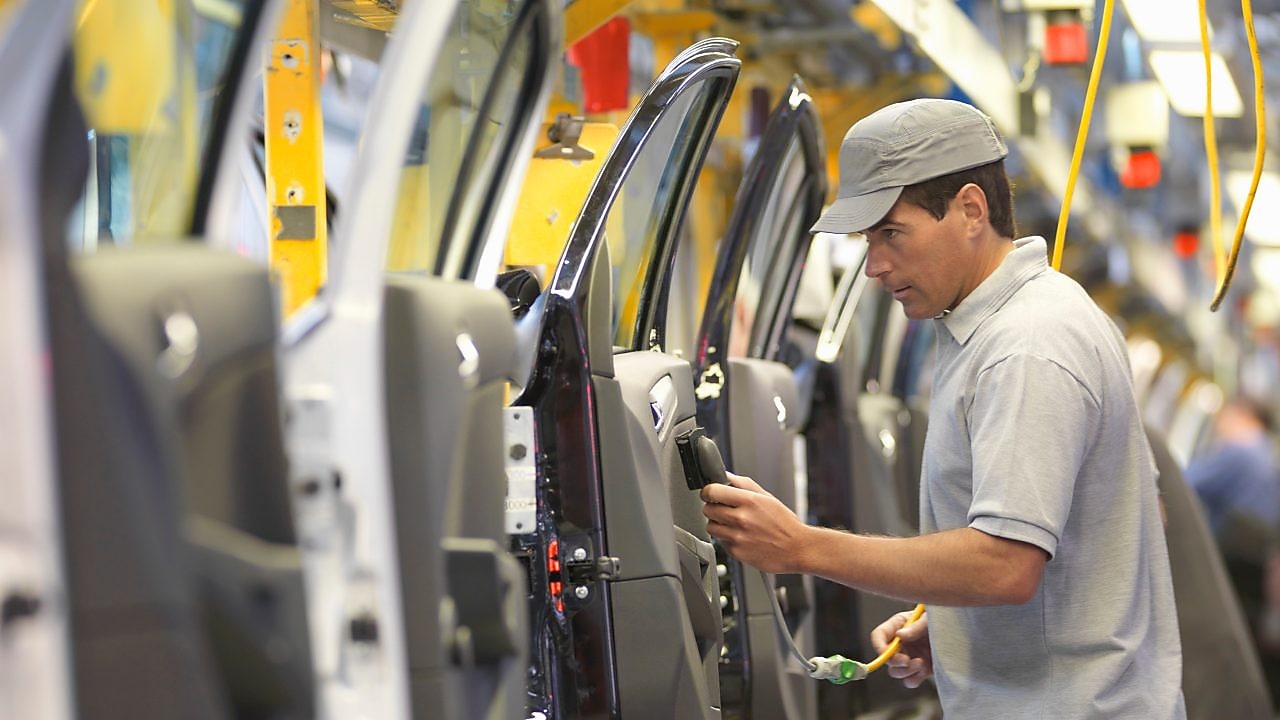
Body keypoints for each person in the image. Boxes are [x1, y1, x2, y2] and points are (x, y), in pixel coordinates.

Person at [701, 99, 1185, 718]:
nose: (874, 265)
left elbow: (1005, 566)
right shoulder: (1019, 320)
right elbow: (1125, 519)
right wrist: (966, 626)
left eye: (891, 234)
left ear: (971, 210)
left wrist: (799, 547)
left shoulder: (1026, 346)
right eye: (868, 240)